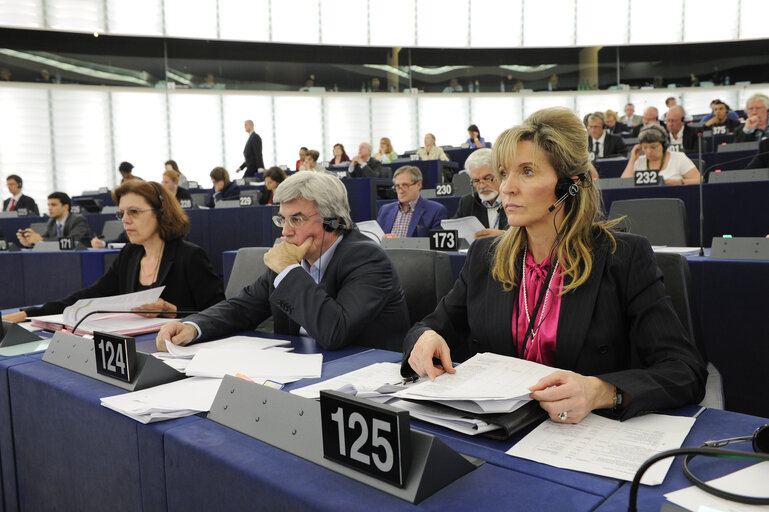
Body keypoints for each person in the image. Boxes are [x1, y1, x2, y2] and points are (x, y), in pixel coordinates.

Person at [402, 107, 706, 424]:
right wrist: (424, 339)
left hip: (582, 438)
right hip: (498, 435)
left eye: (527, 172)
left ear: (569, 184)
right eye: (504, 173)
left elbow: (685, 370)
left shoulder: (624, 257)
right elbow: (427, 327)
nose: (507, 187)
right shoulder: (484, 256)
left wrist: (601, 391)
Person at [155, 171, 410, 352]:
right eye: (282, 220)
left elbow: (335, 331)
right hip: (302, 371)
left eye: (296, 220)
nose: (285, 232)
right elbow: (242, 308)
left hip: (362, 381)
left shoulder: (367, 259)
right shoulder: (293, 257)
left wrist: (288, 270)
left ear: (332, 221)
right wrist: (192, 326)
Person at [3, 181, 224, 323]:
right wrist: (28, 313)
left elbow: (220, 313)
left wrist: (173, 310)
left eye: (134, 212)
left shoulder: (190, 256)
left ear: (161, 213)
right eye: (122, 213)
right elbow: (88, 296)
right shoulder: (130, 254)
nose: (125, 220)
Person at [376, 166, 447, 237]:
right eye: (397, 186)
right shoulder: (385, 210)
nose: (400, 191)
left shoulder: (435, 211)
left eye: (405, 185)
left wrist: (400, 243)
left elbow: (435, 244)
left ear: (419, 185)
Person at [453, 148, 507, 238]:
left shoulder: (515, 198)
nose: (482, 186)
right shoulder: (467, 203)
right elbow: (451, 231)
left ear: (500, 174)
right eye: (476, 181)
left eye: (487, 178)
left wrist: (504, 236)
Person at [621, 125, 701, 185]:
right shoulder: (638, 161)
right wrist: (632, 159)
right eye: (645, 147)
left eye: (653, 147)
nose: (649, 151)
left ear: (664, 145)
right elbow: (624, 184)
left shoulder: (678, 158)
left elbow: (700, 180)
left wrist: (678, 182)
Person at [16, 192, 91, 247]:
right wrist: (30, 241)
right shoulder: (51, 222)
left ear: (66, 207)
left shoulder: (78, 220)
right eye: (48, 205)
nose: (50, 208)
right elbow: (46, 238)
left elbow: (70, 241)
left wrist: (40, 240)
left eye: (53, 205)